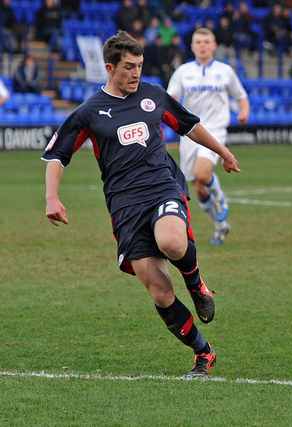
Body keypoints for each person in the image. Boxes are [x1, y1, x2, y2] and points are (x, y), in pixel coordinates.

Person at [42, 31, 241, 378]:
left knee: (172, 242)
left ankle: (196, 285)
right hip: (125, 206)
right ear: (110, 68)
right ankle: (203, 353)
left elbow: (189, 126)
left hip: (162, 186)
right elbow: (57, 155)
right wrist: (52, 198)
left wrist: (223, 152)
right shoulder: (90, 112)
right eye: (129, 67)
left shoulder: (152, 95)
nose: (136, 73)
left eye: (140, 66)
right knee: (160, 291)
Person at [167, 27, 249, 246]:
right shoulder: (183, 72)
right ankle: (220, 225)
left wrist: (244, 111)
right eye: (198, 42)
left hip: (215, 130)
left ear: (214, 45)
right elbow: (170, 100)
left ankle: (221, 201)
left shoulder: (225, 71)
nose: (202, 45)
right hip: (189, 132)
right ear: (192, 46)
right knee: (198, 186)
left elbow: (241, 96)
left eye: (206, 41)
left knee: (202, 174)